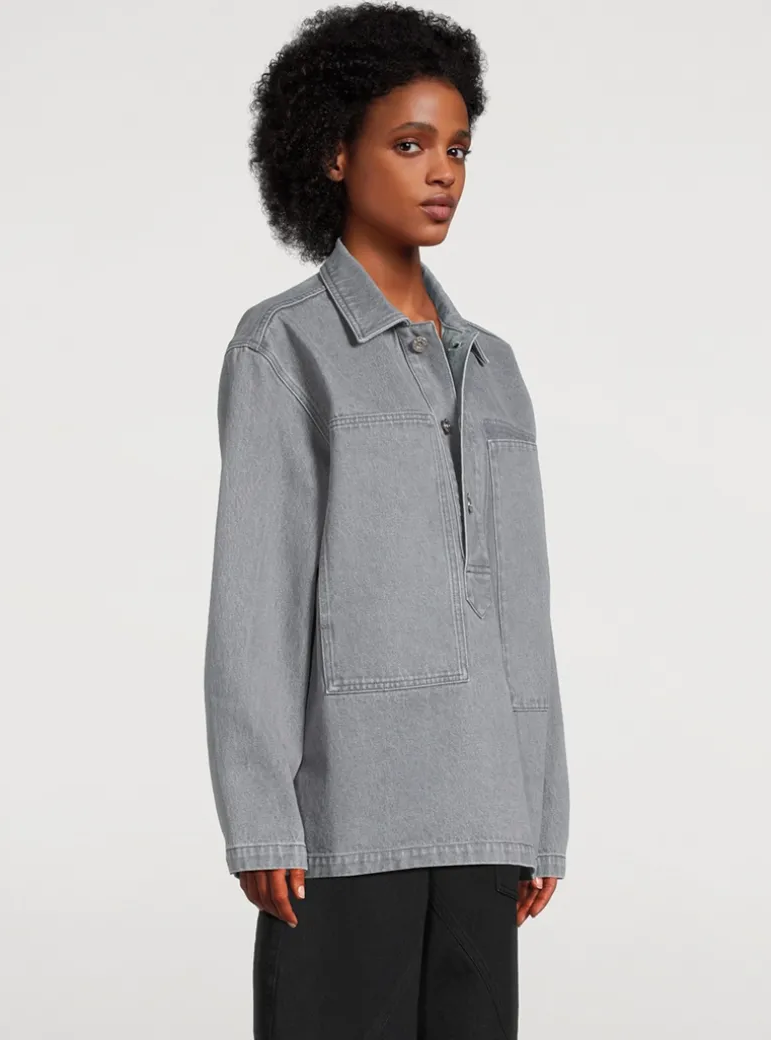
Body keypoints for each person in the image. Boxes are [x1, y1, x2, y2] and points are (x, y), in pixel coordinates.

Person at [203, 3, 570, 1036]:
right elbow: (258, 594)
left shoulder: (494, 367)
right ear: (333, 153)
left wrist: (541, 805)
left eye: (456, 148)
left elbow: (524, 608)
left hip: (485, 809)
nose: (442, 172)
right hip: (343, 820)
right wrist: (260, 811)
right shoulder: (283, 349)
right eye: (410, 145)